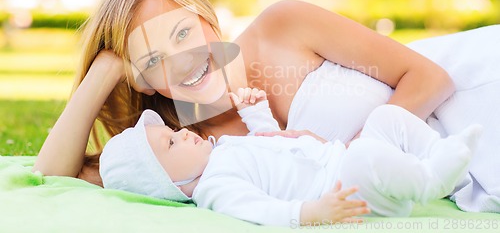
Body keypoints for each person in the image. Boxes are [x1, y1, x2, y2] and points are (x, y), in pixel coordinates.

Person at [33, 0, 500, 213]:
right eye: (153, 59)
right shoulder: (176, 149)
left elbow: (431, 79)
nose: (183, 62)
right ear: (140, 78)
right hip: (456, 172)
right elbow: (54, 173)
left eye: (182, 33)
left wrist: (353, 151)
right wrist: (105, 69)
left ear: (205, 18)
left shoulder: (282, 27)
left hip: (473, 94)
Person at [99, 87, 482, 226]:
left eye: (173, 132)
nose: (182, 133)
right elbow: (262, 210)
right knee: (366, 155)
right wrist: (311, 214)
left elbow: (271, 141)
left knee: (383, 117)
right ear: (170, 184)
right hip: (343, 191)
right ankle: (431, 180)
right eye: (170, 145)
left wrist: (255, 110)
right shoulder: (216, 187)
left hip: (339, 158)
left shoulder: (223, 151)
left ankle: (436, 151)